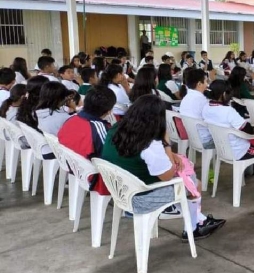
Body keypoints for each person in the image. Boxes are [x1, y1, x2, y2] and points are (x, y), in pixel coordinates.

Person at [101, 95, 225, 240]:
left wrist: (170, 154)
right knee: (194, 184)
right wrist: (166, 143)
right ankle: (192, 228)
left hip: (120, 189)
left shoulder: (116, 128)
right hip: (142, 197)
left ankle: (199, 219)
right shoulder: (149, 143)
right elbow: (166, 176)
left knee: (186, 178)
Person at [203, 80, 254, 186]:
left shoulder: (206, 107)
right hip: (239, 151)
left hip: (223, 148)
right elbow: (246, 129)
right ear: (224, 94)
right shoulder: (228, 111)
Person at [58, 85, 117, 198]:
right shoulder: (98, 128)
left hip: (76, 170)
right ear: (109, 111)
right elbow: (109, 158)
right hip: (97, 179)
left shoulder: (70, 120)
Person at [179, 68, 215, 149]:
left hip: (191, 137)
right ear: (199, 84)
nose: (207, 84)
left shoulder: (186, 98)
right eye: (206, 81)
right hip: (205, 140)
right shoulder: (201, 100)